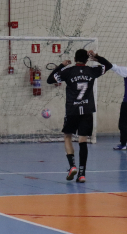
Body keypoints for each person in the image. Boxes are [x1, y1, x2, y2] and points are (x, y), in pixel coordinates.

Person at [46, 49, 112, 183]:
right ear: (87, 59)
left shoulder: (68, 71)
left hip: (72, 110)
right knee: (83, 141)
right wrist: (97, 57)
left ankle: (72, 166)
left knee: (67, 136)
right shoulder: (92, 71)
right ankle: (82, 174)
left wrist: (61, 65)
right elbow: (109, 65)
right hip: (87, 110)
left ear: (75, 58)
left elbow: (49, 80)